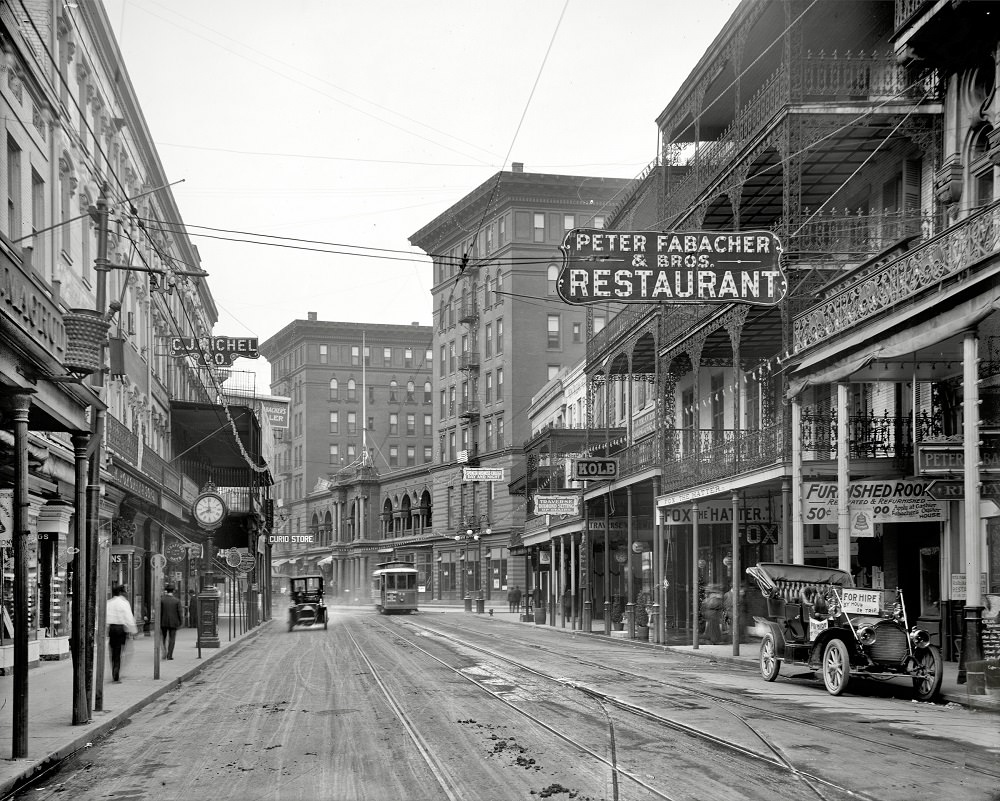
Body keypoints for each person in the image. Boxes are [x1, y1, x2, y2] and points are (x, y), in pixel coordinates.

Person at [106, 584, 138, 682]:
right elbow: (128, 617)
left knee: (113, 651)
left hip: (112, 628)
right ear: (120, 592)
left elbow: (105, 616)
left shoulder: (109, 603)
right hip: (120, 629)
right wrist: (133, 630)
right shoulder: (124, 603)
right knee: (119, 651)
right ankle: (116, 672)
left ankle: (114, 670)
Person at [159, 585, 183, 660]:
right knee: (172, 639)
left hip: (163, 622)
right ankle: (169, 655)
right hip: (173, 622)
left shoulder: (162, 600)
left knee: (163, 637)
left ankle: (164, 651)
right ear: (173, 591)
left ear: (166, 591)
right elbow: (180, 612)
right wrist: (181, 622)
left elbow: (159, 612)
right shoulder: (176, 600)